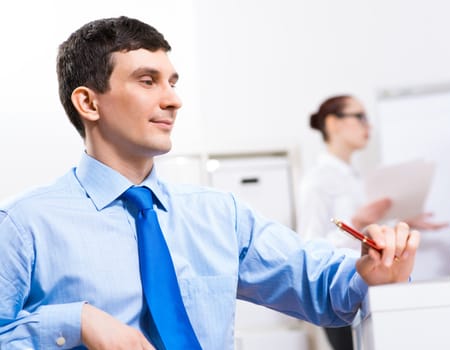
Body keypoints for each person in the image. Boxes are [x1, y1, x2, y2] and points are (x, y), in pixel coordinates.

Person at [0, 17, 420, 350]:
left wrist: (370, 271)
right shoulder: (23, 224)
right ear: (88, 102)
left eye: (173, 82)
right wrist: (73, 322)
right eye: (148, 81)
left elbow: (326, 291)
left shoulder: (220, 215)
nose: (173, 100)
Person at [297, 95, 442, 350]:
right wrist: (357, 222)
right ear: (333, 124)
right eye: (360, 117)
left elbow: (364, 230)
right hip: (340, 293)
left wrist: (402, 222)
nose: (369, 126)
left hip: (369, 288)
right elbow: (309, 249)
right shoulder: (317, 181)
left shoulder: (355, 177)